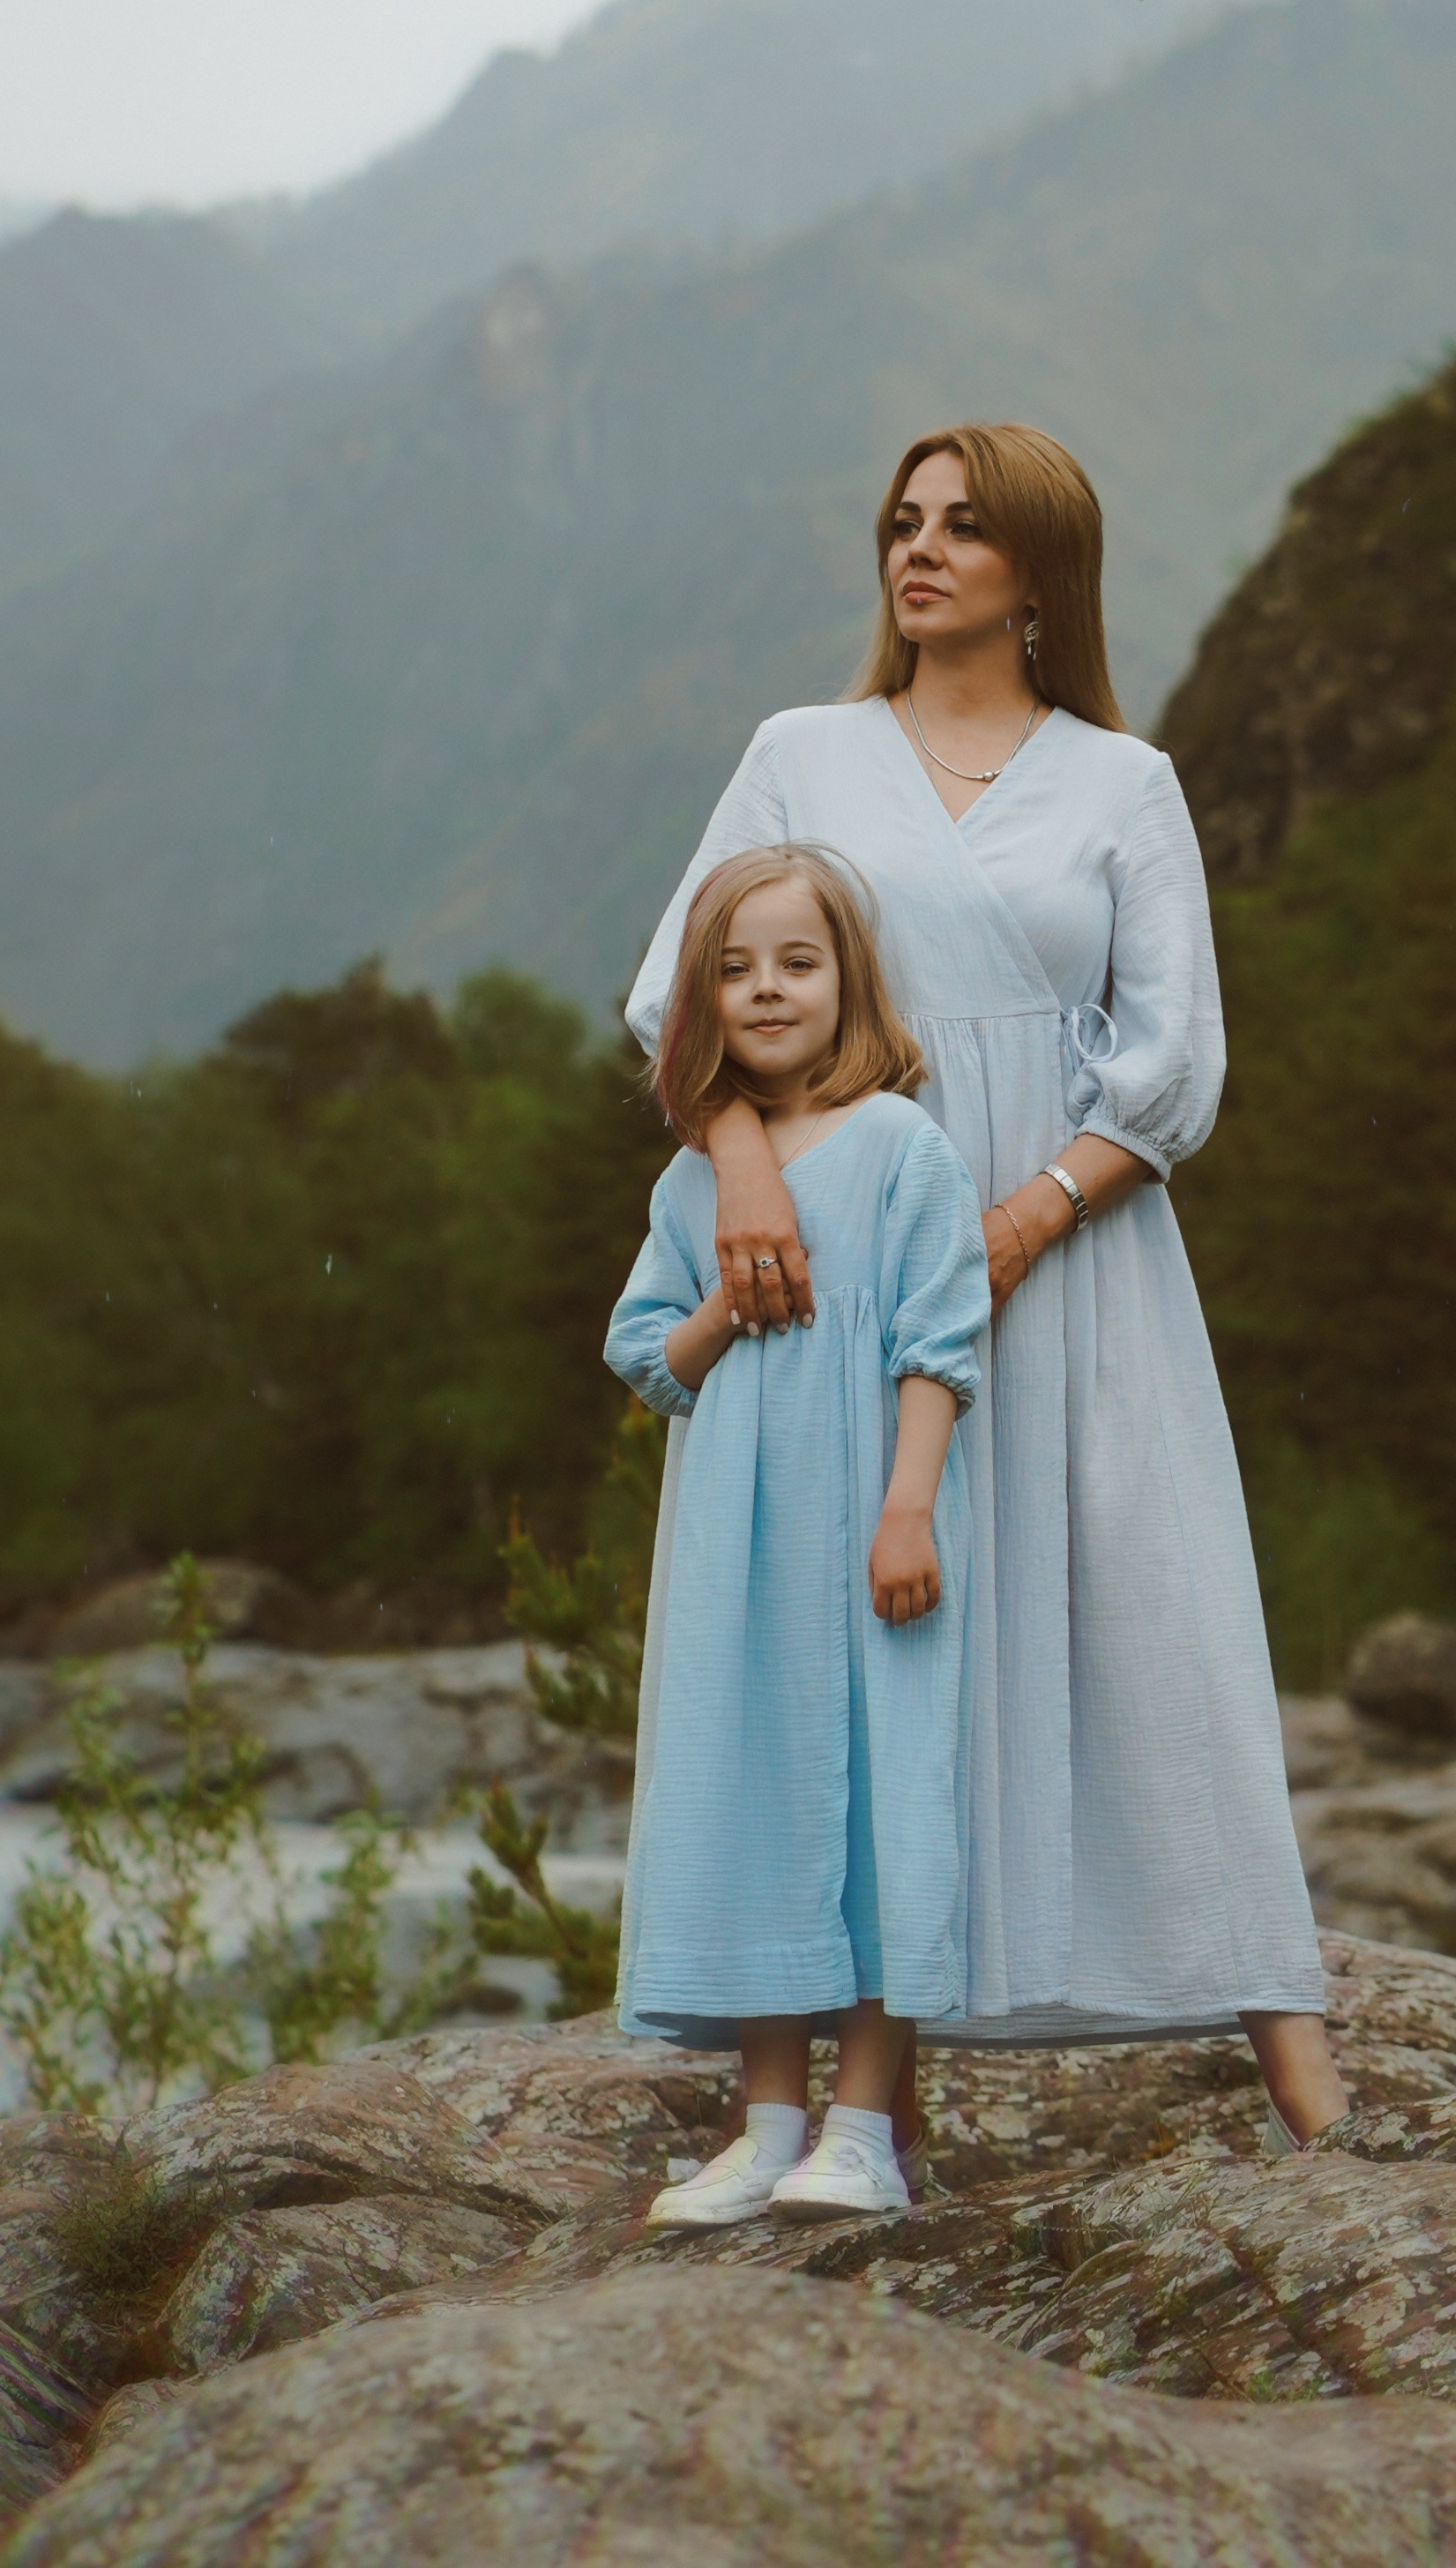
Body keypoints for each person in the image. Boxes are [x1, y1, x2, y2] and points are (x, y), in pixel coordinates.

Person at [626, 422, 1348, 2152]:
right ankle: (849, 2108)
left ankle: (1299, 2053)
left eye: (962, 524)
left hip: (1079, 1259)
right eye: (902, 520)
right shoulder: (800, 753)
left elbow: (1175, 1062)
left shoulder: (1122, 782)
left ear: (1041, 567)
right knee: (862, 1646)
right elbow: (678, 994)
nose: (919, 547)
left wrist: (1026, 1216)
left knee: (1156, 1618)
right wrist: (741, 1167)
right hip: (832, 1264)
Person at [607, 842, 989, 2227]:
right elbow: (646, 1357)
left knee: (887, 1800)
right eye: (734, 968)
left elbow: (940, 1342)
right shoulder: (693, 1188)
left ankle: (863, 2128)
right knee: (753, 1792)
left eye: (797, 961)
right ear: (703, 1000)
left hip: (878, 1528)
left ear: (848, 982)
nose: (766, 987)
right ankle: (767, 2123)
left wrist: (908, 1507)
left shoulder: (901, 1148)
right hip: (740, 1553)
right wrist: (724, 1302)